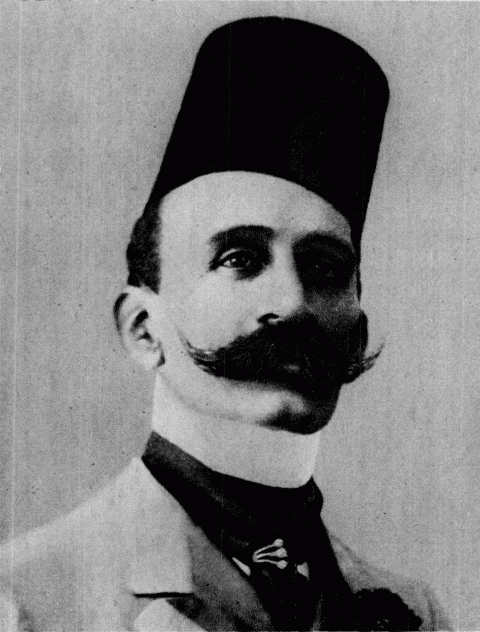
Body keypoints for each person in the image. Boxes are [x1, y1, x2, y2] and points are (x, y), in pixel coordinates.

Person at [0, 17, 451, 632]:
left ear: (359, 332)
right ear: (142, 327)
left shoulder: (414, 612)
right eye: (240, 258)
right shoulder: (26, 599)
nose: (293, 302)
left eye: (324, 267)